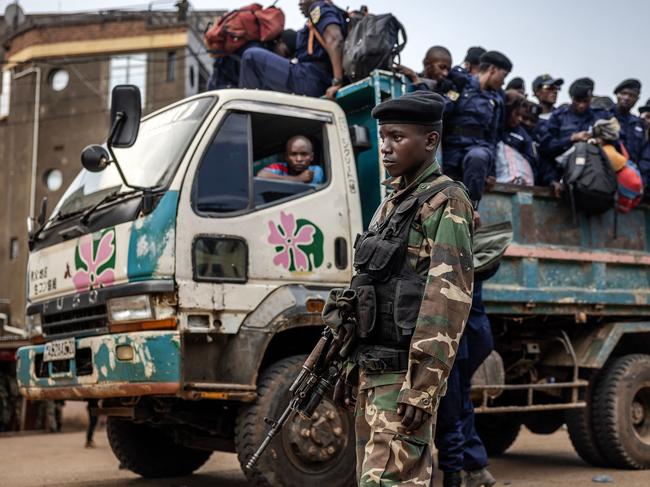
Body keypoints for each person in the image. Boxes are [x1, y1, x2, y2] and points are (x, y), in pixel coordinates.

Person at [326, 91, 474, 486]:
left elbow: (446, 300)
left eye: (397, 137)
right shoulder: (390, 205)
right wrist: (349, 361)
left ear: (430, 141)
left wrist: (423, 388)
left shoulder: (447, 200)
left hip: (403, 377)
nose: (386, 148)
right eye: (382, 138)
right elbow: (367, 290)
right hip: (373, 373)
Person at [442, 50, 512, 209]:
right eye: (503, 75)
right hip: (452, 149)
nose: (503, 82)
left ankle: (471, 209)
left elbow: (493, 138)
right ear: (492, 69)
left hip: (478, 148)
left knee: (478, 157)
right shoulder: (461, 85)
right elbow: (444, 110)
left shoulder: (496, 100)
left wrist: (491, 171)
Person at [239, 0, 346, 99]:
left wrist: (337, 82)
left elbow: (335, 40)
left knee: (251, 57)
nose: (300, 3)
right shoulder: (327, 14)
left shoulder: (318, 8)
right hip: (313, 78)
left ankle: (245, 109)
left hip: (311, 78)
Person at [539, 77, 608, 180]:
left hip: (594, 175)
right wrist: (572, 138)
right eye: (578, 101)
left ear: (591, 99)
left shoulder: (601, 116)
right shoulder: (559, 116)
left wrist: (601, 141)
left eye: (585, 101)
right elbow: (546, 147)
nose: (581, 105)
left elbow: (616, 143)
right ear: (572, 98)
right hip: (564, 174)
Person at [258, 135, 325, 185]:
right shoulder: (279, 167)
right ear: (286, 157)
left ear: (311, 157)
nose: (299, 159)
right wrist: (298, 179)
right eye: (293, 154)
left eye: (304, 154)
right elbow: (261, 175)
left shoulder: (315, 170)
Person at [611, 79, 646, 163]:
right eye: (623, 93)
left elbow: (643, 153)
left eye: (631, 95)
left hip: (631, 170)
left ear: (637, 99)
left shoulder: (639, 123)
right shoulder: (605, 116)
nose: (626, 98)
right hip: (607, 168)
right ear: (617, 95)